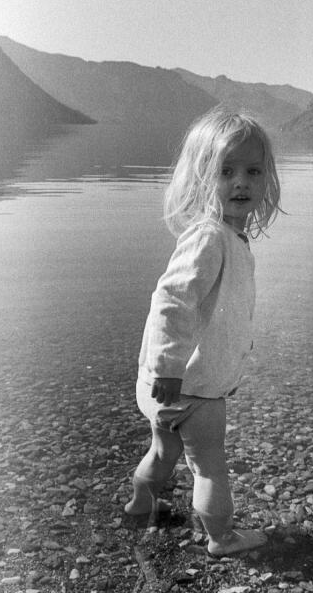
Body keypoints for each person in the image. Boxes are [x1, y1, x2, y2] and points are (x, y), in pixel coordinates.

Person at [124, 107, 282, 557]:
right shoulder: (210, 237)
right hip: (192, 388)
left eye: (253, 171)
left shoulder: (226, 237)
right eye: (226, 171)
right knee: (211, 468)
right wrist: (170, 369)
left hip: (170, 385)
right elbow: (171, 301)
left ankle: (140, 503)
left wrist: (165, 374)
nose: (241, 182)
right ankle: (221, 537)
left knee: (163, 455)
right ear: (201, 178)